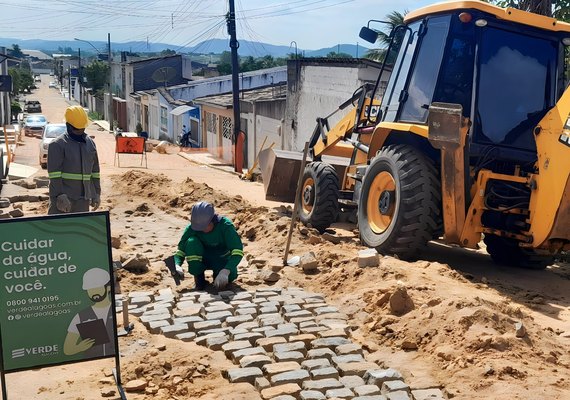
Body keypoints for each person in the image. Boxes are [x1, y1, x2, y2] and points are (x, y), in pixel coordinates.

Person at [174, 201, 244, 290]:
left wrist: (227, 270)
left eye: (204, 226)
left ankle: (219, 274)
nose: (202, 230)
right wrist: (177, 265)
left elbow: (238, 251)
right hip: (203, 259)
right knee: (191, 242)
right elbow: (181, 250)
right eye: (199, 227)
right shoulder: (193, 227)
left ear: (213, 220)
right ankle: (199, 278)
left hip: (221, 259)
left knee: (227, 279)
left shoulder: (225, 226)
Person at [47, 105, 101, 214]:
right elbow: (54, 175)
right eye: (77, 129)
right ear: (68, 126)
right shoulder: (57, 145)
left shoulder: (90, 144)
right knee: (58, 230)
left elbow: (95, 172)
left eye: (82, 128)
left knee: (80, 230)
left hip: (83, 200)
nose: (80, 131)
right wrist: (60, 195)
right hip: (62, 200)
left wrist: (96, 193)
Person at [63, 268, 115, 358]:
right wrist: (80, 347)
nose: (93, 292)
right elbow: (67, 349)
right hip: (96, 366)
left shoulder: (115, 310)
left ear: (108, 287)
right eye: (90, 289)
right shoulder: (81, 316)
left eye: (97, 288)